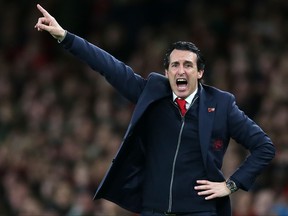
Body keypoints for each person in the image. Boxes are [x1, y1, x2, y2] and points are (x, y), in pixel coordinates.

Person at [35, 4, 275, 216]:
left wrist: (231, 184)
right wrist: (65, 37)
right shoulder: (152, 93)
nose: (181, 71)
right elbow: (109, 66)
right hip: (153, 210)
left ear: (200, 73)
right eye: (175, 65)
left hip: (200, 211)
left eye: (188, 65)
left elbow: (264, 147)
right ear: (167, 73)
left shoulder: (221, 105)